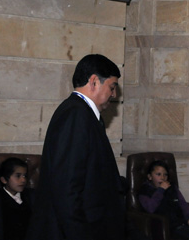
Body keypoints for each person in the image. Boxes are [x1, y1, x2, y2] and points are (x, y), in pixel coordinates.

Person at [26, 54, 141, 240]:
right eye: (112, 87)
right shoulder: (76, 116)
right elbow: (67, 189)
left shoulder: (82, 114)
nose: (114, 94)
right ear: (94, 81)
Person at [138, 160, 189, 240]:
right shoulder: (144, 191)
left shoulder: (172, 187)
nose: (162, 178)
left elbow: (183, 204)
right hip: (169, 226)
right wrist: (161, 190)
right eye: (158, 174)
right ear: (150, 177)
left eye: (165, 175)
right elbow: (150, 208)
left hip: (183, 221)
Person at [0, 157, 34, 240]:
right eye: (18, 176)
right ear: (4, 180)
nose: (23, 180)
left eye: (24, 176)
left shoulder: (33, 196)